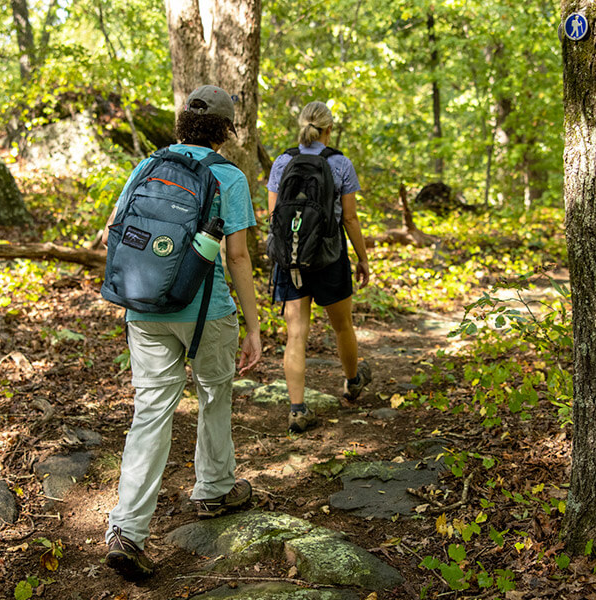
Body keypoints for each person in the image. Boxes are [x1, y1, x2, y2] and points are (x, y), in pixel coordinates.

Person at [100, 85, 261, 581]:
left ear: (181, 124)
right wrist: (254, 326)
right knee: (215, 396)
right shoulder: (228, 177)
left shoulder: (147, 167)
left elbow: (111, 232)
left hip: (144, 309)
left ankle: (127, 530)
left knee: (150, 412)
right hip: (206, 313)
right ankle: (213, 490)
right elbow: (236, 256)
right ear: (225, 130)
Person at [267, 101, 372, 434]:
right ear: (329, 129)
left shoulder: (283, 162)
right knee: (342, 325)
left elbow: (273, 218)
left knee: (296, 332)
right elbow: (351, 218)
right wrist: (362, 257)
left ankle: (297, 410)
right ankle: (353, 383)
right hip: (330, 255)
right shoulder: (340, 164)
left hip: (292, 258)